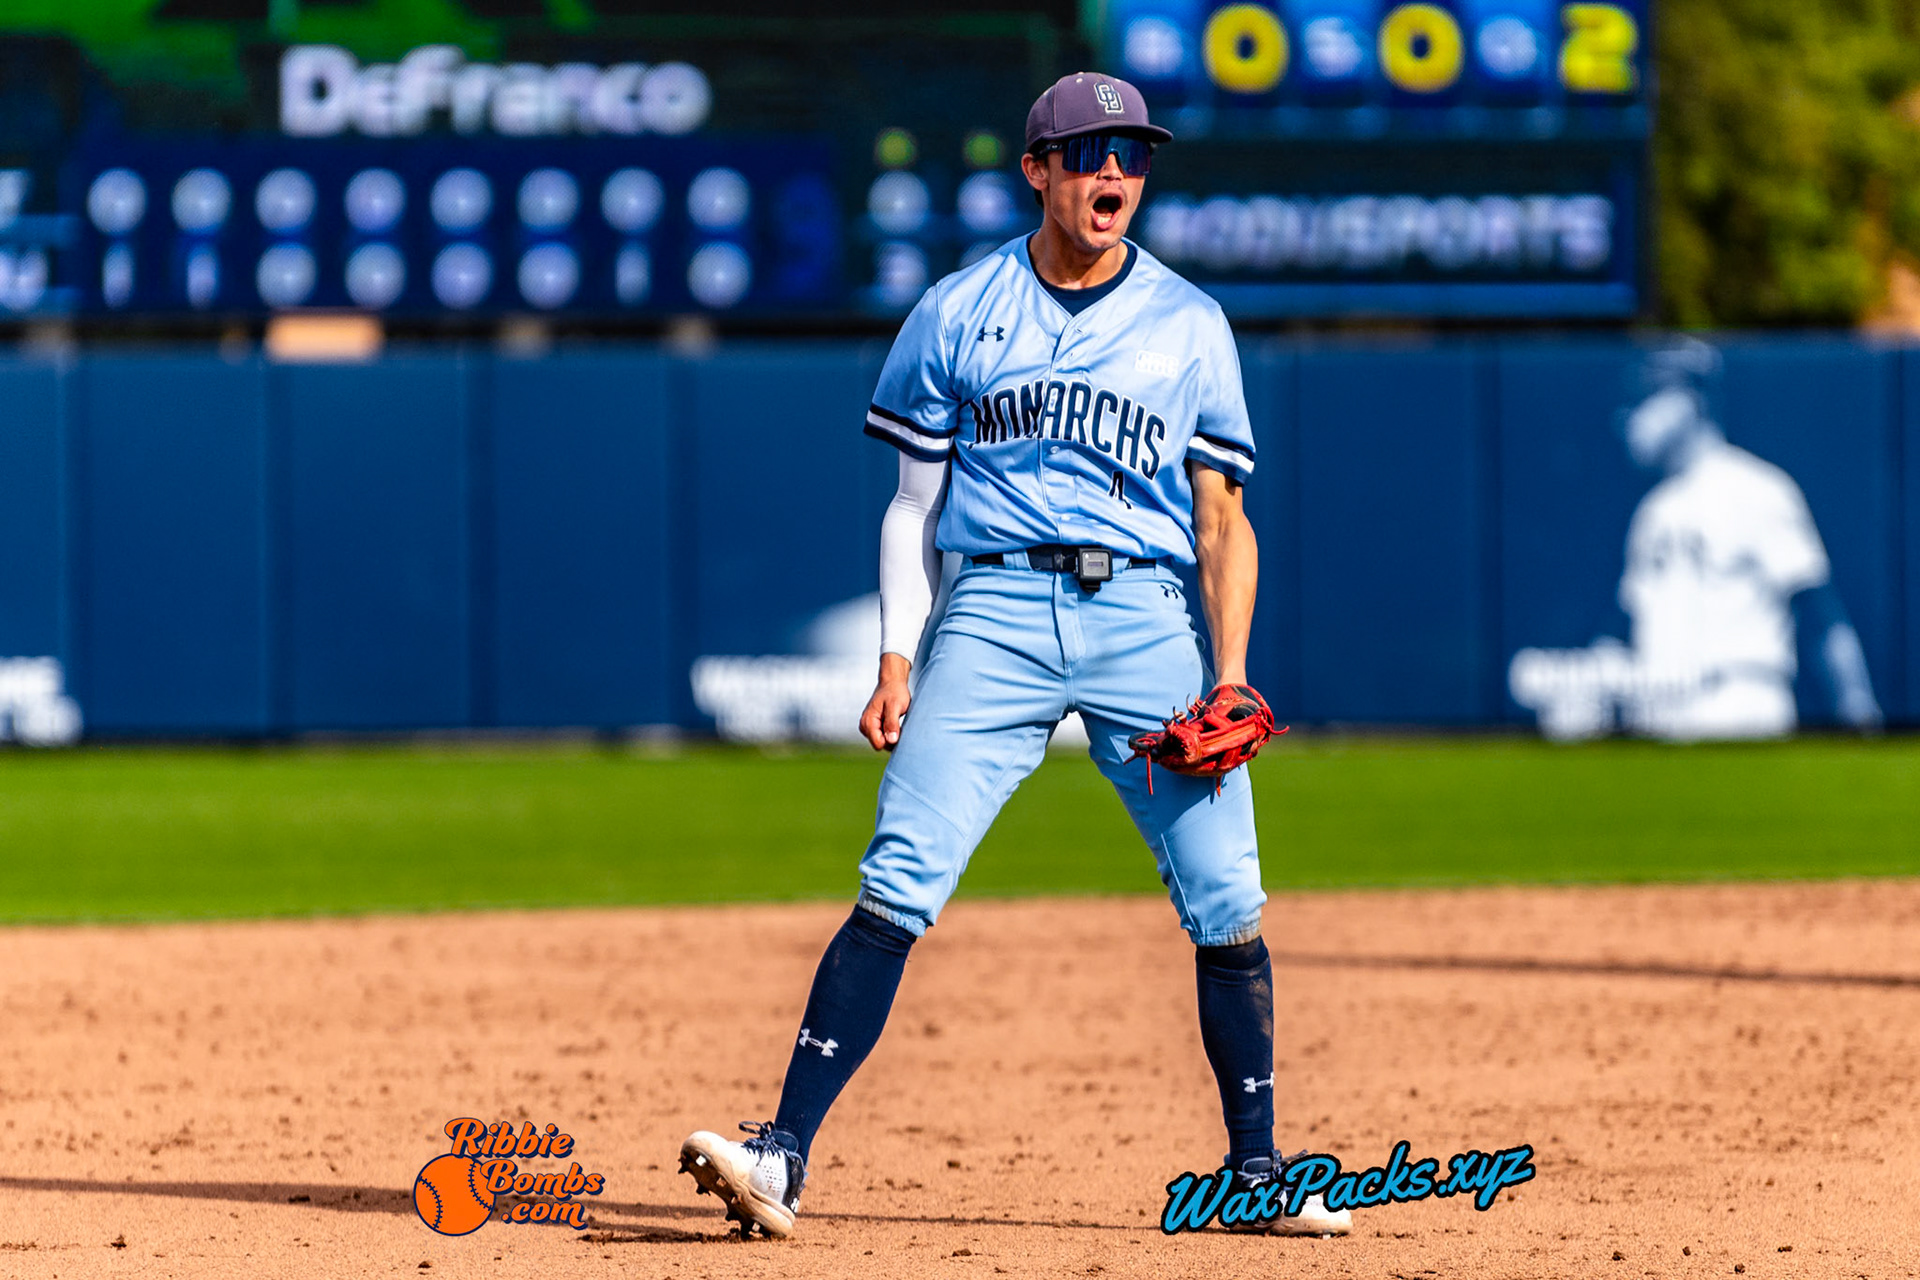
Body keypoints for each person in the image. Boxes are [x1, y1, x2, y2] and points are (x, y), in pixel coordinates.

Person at [676, 71, 1349, 1241]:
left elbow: (1223, 517)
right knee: (899, 876)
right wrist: (897, 657)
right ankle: (780, 1153)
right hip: (991, 613)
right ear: (1036, 170)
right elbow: (909, 507)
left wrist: (1230, 671)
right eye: (1088, 153)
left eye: (1132, 154)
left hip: (1143, 617)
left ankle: (1256, 1173)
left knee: (1228, 898)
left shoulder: (1190, 323)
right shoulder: (957, 306)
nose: (1114, 176)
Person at [1510, 339, 1881, 739]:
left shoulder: (1757, 488)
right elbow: (1627, 625)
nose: (1628, 418)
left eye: (1644, 400)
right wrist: (1586, 685)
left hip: (1740, 701)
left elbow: (1820, 614)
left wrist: (1855, 705)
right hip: (1661, 712)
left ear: (1689, 401)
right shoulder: (1653, 511)